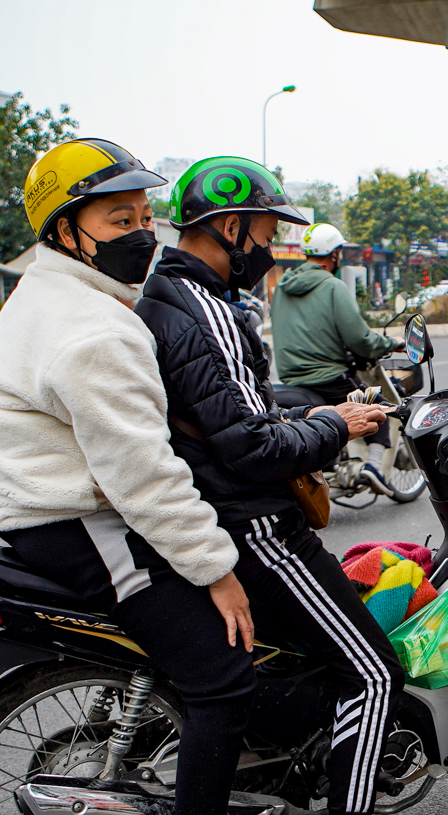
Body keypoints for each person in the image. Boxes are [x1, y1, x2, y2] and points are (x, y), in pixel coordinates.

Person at [134, 156, 401, 815]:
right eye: (266, 231)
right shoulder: (209, 309)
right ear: (230, 228)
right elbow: (252, 447)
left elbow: (233, 408)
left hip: (216, 505)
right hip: (255, 523)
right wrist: (336, 425)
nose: (270, 247)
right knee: (374, 674)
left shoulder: (170, 295)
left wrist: (309, 412)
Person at [0, 139, 258, 815]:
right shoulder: (94, 332)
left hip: (42, 510)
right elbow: (142, 475)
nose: (142, 233)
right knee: (223, 677)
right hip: (79, 521)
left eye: (146, 217)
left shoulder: (43, 292)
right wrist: (216, 569)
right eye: (119, 220)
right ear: (66, 231)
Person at [271, 222, 404, 495]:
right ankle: (374, 467)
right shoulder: (333, 286)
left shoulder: (282, 288)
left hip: (290, 380)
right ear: (334, 254)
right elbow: (360, 339)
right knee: (378, 405)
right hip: (328, 378)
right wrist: (393, 343)